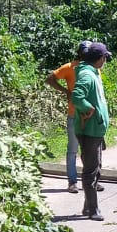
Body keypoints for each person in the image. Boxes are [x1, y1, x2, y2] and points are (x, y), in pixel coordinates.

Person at [44, 40, 94, 193]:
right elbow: (50, 79)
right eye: (84, 53)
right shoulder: (69, 67)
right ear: (79, 53)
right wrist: (66, 91)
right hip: (74, 114)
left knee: (90, 151)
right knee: (73, 150)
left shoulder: (95, 68)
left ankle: (92, 181)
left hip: (90, 114)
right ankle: (72, 182)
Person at [72, 41, 113, 221]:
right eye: (104, 57)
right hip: (88, 130)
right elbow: (77, 96)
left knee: (95, 168)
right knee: (90, 171)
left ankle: (88, 206)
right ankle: (93, 210)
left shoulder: (93, 72)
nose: (105, 60)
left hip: (95, 129)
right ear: (99, 58)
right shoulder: (87, 75)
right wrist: (89, 109)